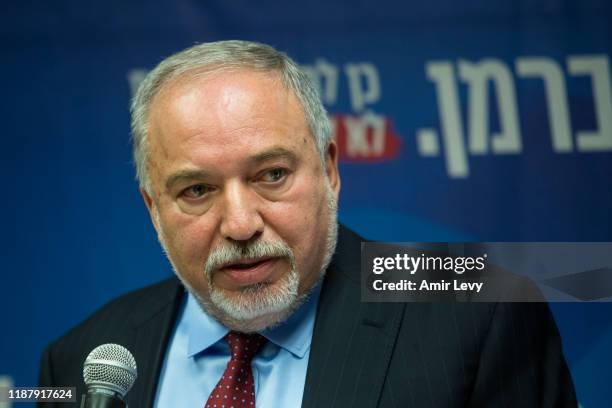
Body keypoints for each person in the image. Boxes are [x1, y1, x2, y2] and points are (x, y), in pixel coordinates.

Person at [39, 40, 577, 407]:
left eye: (272, 174)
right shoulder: (81, 360)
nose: (241, 224)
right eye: (196, 190)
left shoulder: (481, 308)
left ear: (330, 171)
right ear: (153, 211)